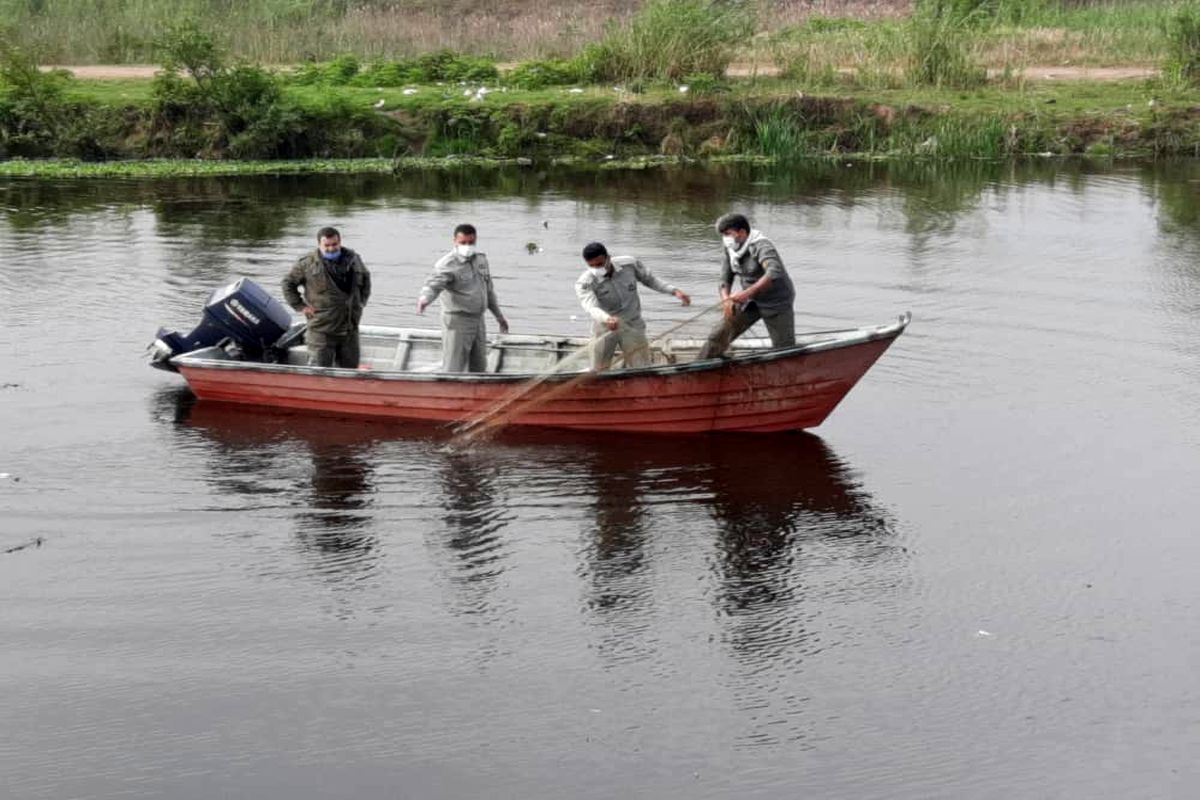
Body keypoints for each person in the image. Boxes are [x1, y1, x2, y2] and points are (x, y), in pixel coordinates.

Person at [575, 242, 691, 371]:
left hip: (632, 324)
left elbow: (650, 280)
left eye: (600, 264)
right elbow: (592, 307)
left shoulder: (629, 264)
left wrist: (674, 291)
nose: (597, 269)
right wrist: (607, 319)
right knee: (598, 369)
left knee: (641, 368)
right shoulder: (585, 282)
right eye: (592, 266)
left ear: (608, 257)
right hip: (605, 327)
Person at [697, 213, 796, 359]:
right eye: (723, 235)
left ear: (742, 232)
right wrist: (726, 299)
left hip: (776, 301)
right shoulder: (731, 248)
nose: (725, 238)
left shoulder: (762, 246)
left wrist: (747, 293)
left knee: (784, 349)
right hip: (750, 301)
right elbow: (725, 277)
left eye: (727, 234)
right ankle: (701, 368)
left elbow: (774, 272)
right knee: (717, 336)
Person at [417, 223, 509, 373]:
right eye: (463, 243)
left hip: (478, 320)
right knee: (454, 367)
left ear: (476, 240)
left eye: (471, 242)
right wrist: (424, 299)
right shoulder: (447, 264)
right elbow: (434, 285)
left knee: (479, 366)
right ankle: (448, 394)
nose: (467, 246)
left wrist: (499, 316)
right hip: (457, 321)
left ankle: (477, 394)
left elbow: (489, 291)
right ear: (455, 241)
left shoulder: (481, 260)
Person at [282, 226, 371, 368]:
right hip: (321, 331)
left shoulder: (354, 259)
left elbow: (366, 280)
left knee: (350, 373)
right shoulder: (306, 264)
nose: (331, 248)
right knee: (319, 373)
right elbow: (288, 284)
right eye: (327, 245)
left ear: (340, 242)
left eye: (334, 244)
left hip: (350, 330)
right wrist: (300, 306)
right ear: (319, 245)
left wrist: (361, 303)